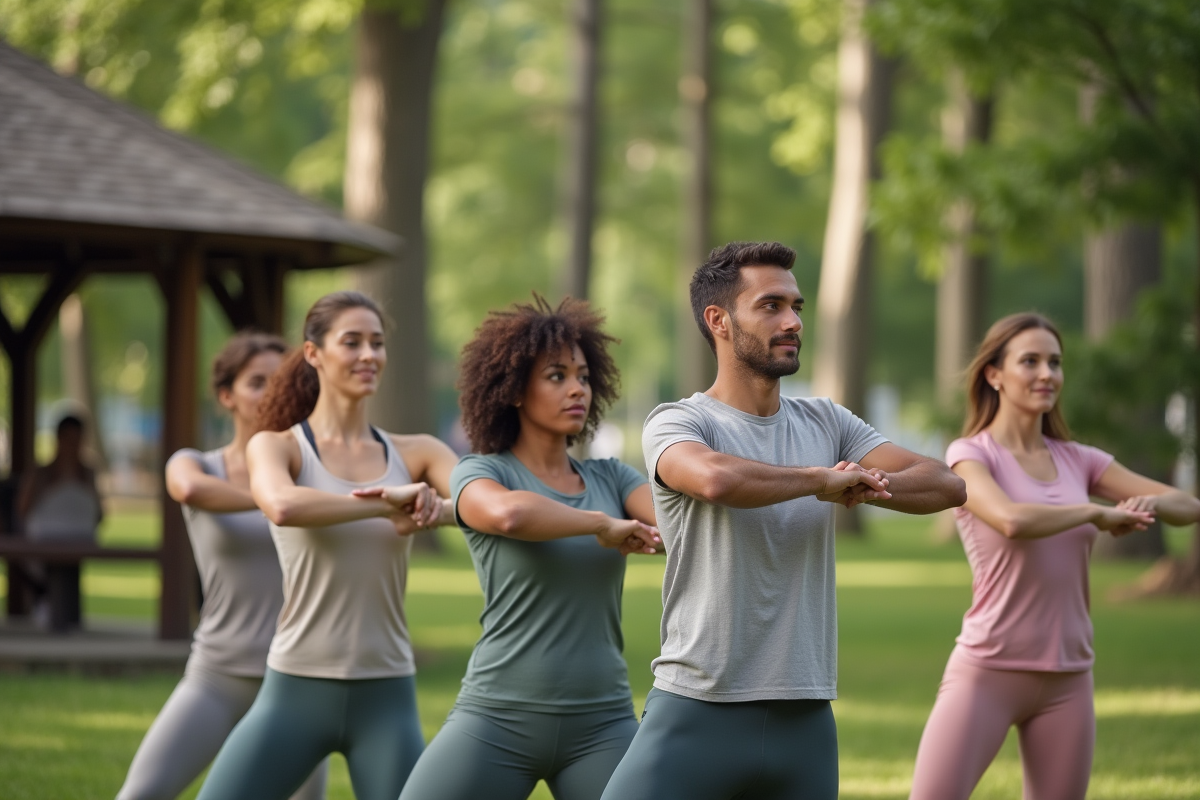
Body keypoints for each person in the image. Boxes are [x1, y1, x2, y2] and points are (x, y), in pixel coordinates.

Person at [600, 241, 967, 800]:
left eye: (796, 306)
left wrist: (864, 488)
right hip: (698, 708)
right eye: (771, 305)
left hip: (807, 719)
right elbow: (716, 480)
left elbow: (946, 483)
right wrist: (823, 480)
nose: (793, 321)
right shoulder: (678, 422)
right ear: (718, 321)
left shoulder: (828, 420)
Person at [907, 313, 1200, 800]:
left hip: (1069, 675)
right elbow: (1010, 519)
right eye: (1031, 361)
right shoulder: (970, 456)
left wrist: (1147, 504)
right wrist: (1095, 514)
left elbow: (1189, 506)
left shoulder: (1079, 459)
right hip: (989, 669)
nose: (1047, 374)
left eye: (1056, 362)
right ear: (994, 374)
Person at [196, 292, 458, 800]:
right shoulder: (276, 447)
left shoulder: (418, 452)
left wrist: (434, 511)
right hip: (295, 687)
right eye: (352, 341)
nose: (369, 355)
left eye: (378, 343)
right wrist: (387, 504)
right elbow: (283, 506)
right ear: (313, 354)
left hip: (387, 691)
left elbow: (485, 504)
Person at [395, 296, 660, 800]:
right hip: (496, 716)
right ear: (515, 389)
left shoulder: (611, 476)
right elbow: (507, 514)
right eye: (556, 376)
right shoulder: (481, 472)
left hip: (602, 722)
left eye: (582, 375)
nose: (577, 388)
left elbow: (680, 524)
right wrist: (601, 525)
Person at [116, 333, 327, 800]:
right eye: (257, 382)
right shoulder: (198, 465)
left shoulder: (315, 475)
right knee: (141, 794)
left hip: (299, 681)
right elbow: (187, 490)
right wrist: (278, 500)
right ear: (226, 395)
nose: (271, 392)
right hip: (217, 675)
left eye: (281, 382)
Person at [17, 413, 103, 631]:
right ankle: (53, 609)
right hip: (45, 537)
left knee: (67, 566)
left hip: (81, 536)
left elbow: (100, 514)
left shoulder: (88, 473)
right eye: (68, 439)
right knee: (53, 564)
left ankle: (63, 616)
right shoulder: (42, 473)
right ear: (58, 439)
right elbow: (23, 510)